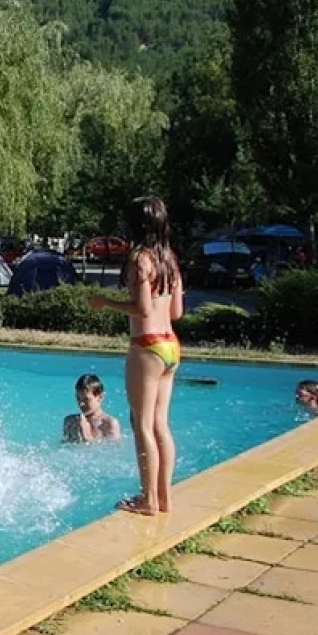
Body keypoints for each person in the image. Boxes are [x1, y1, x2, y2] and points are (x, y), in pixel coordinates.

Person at [89, 195, 183, 516]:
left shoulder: (140, 259)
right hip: (171, 344)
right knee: (161, 425)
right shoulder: (169, 258)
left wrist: (105, 303)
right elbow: (178, 311)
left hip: (147, 345)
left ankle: (148, 500)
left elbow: (142, 309)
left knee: (142, 425)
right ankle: (164, 498)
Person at [63, 374, 123, 443]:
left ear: (100, 397)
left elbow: (112, 452)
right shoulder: (70, 421)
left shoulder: (109, 424)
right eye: (78, 398)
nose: (81, 403)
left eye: (86, 399)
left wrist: (87, 437)